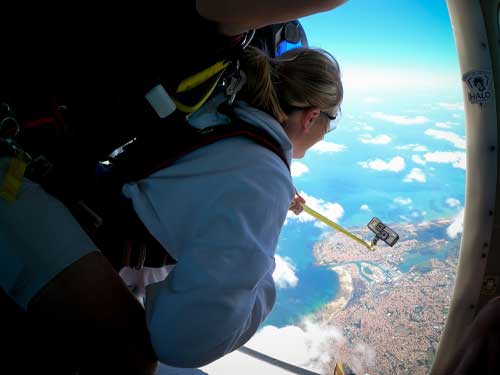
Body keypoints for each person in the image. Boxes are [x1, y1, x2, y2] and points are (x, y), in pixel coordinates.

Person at [0, 1, 346, 373]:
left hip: (63, 185)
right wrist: (263, 278)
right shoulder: (262, 178)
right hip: (23, 186)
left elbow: (210, 177)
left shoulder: (220, 106)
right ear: (312, 116)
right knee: (131, 359)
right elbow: (185, 342)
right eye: (332, 121)